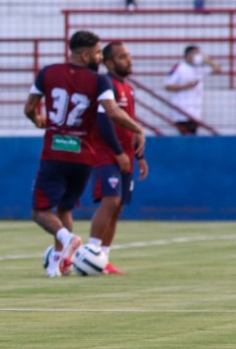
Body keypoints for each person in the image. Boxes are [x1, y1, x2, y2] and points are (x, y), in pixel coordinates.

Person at [23, 30, 145, 278]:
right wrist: (138, 127)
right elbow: (111, 112)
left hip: (54, 152)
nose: (100, 57)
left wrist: (37, 119)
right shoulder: (99, 81)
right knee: (65, 209)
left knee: (39, 211)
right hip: (83, 156)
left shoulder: (48, 72)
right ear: (86, 53)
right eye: (99, 52)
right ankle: (59, 262)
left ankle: (66, 239)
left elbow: (29, 107)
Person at [87, 42, 149, 275]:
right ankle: (90, 253)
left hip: (127, 156)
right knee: (110, 201)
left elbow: (130, 126)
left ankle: (103, 259)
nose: (129, 60)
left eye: (129, 56)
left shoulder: (128, 89)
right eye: (123, 57)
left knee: (118, 207)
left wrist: (139, 156)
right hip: (107, 154)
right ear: (109, 63)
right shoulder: (106, 86)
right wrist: (118, 153)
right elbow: (104, 121)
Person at [164, 45, 222, 135]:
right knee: (186, 136)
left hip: (195, 111)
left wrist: (209, 61)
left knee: (192, 136)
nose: (198, 56)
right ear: (187, 55)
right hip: (181, 111)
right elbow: (167, 86)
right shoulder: (179, 67)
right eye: (195, 53)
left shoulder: (199, 67)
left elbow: (217, 70)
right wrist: (185, 86)